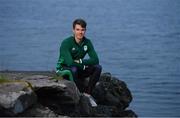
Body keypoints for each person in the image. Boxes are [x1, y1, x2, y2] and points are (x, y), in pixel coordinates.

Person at [56, 18, 102, 95]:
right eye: (78, 29)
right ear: (73, 30)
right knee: (73, 69)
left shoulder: (87, 42)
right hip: (63, 68)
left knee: (98, 67)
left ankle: (88, 93)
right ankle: (78, 93)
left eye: (82, 30)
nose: (80, 32)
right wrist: (83, 66)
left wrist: (81, 61)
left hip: (78, 67)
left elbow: (95, 60)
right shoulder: (66, 43)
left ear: (85, 31)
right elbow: (70, 63)